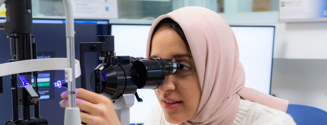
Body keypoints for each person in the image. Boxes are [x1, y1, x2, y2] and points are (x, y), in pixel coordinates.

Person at [60, 6, 295, 125]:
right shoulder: (161, 117)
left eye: (181, 67)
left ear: (215, 70)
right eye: (157, 67)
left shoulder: (270, 123)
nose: (166, 86)